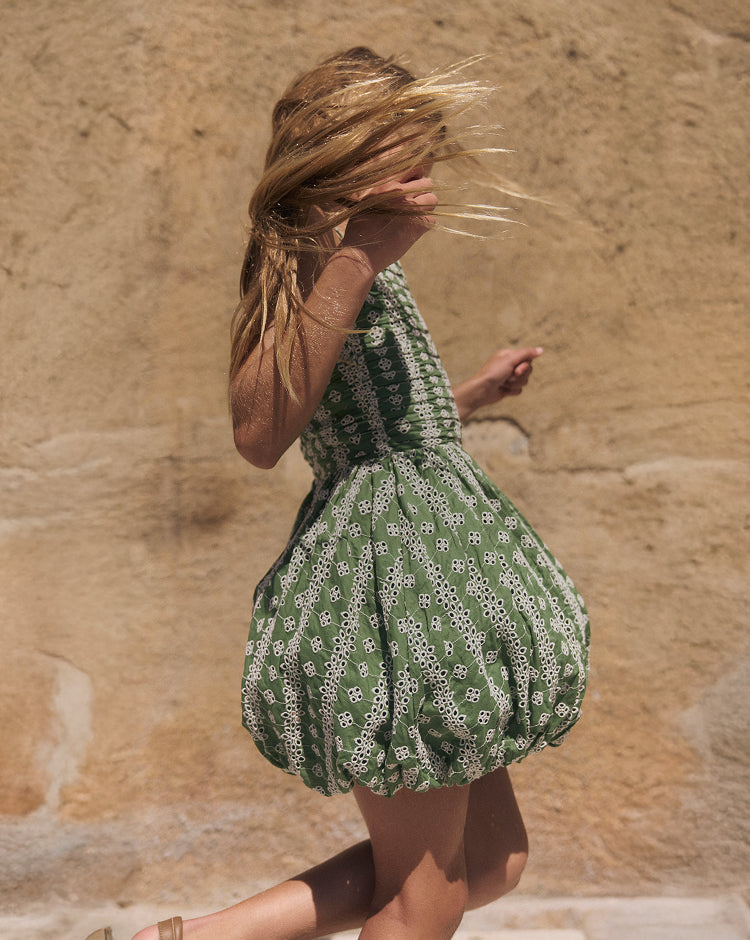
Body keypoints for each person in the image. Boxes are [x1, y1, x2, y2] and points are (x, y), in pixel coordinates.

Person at [88, 45, 589, 940]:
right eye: (404, 153)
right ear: (342, 156)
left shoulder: (357, 257)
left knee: (492, 860)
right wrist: (357, 259)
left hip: (438, 559)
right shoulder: (309, 258)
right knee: (427, 891)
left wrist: (464, 394)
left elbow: (355, 414)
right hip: (399, 585)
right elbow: (260, 432)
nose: (425, 174)